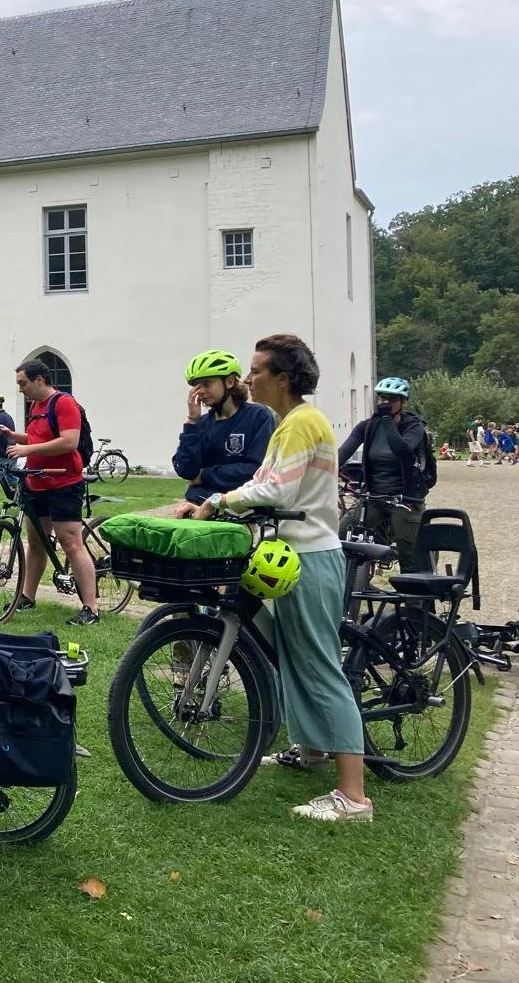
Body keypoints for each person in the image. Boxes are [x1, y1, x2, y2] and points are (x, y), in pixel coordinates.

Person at [187, 333, 371, 822]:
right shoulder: (293, 422)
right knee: (292, 657)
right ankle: (310, 750)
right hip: (294, 554)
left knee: (318, 665)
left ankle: (353, 796)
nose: (248, 379)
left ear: (283, 378)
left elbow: (276, 489)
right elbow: (267, 485)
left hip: (309, 557)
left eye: (257, 370)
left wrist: (218, 501)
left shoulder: (299, 424)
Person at [5, 360, 101, 625]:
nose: (20, 389)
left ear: (39, 380)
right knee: (36, 543)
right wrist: (16, 436)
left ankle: (91, 608)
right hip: (38, 482)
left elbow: (69, 441)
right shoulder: (36, 406)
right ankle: (27, 596)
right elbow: (38, 440)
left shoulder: (63, 403)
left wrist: (28, 450)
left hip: (64, 483)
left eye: (23, 383)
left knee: (71, 543)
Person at [337, 377, 436, 570]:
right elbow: (341, 455)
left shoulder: (414, 427)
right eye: (381, 398)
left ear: (403, 402)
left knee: (410, 557)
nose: (385, 403)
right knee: (343, 534)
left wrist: (386, 420)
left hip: (404, 499)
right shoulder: (367, 427)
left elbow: (402, 449)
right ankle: (352, 585)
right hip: (374, 497)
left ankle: (414, 599)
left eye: (391, 399)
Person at [170, 351, 275, 518]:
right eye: (197, 386)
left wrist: (204, 475)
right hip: (195, 507)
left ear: (230, 381)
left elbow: (255, 470)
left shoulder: (258, 416)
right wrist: (191, 422)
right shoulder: (201, 423)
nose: (200, 391)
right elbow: (186, 471)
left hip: (238, 511)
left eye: (207, 383)